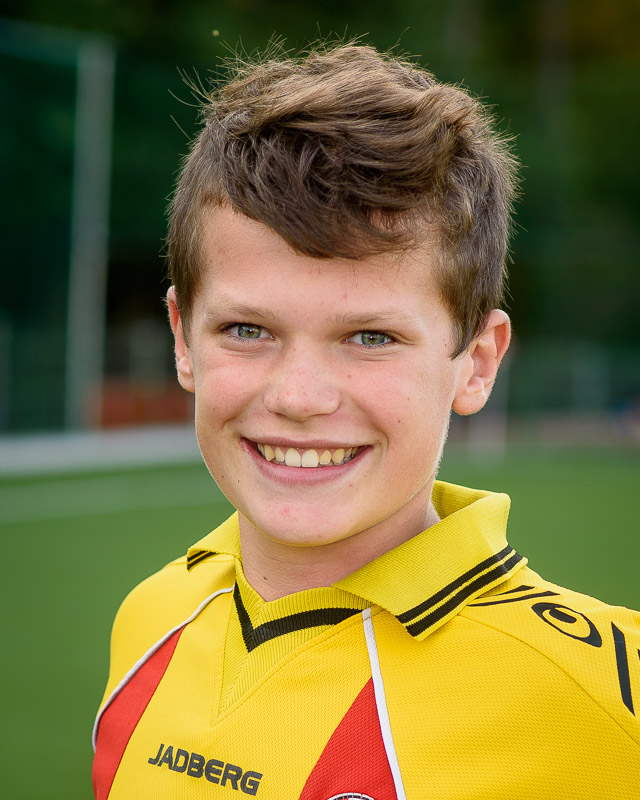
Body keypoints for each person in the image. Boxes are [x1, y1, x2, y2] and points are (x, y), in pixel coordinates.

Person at [92, 42, 640, 799]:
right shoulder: (152, 617)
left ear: (477, 362)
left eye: (371, 338)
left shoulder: (596, 698)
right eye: (248, 330)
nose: (299, 396)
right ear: (183, 340)